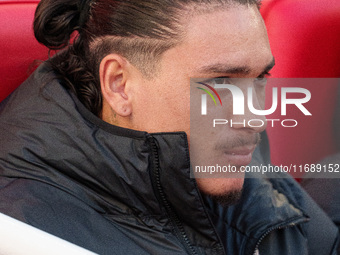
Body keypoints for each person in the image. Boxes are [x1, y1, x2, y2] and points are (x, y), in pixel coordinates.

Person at [0, 0, 338, 254]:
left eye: (260, 77)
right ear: (119, 84)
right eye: (220, 83)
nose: (256, 119)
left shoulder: (220, 151)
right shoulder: (24, 231)